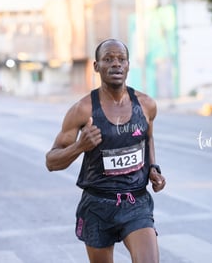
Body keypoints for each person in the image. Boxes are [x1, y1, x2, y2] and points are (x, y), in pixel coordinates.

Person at [46, 38, 166, 263]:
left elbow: (148, 139)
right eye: (108, 59)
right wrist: (80, 146)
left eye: (121, 59)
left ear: (128, 65)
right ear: (96, 66)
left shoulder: (147, 105)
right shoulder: (83, 110)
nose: (116, 64)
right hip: (97, 205)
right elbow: (51, 161)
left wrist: (153, 169)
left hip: (135, 202)